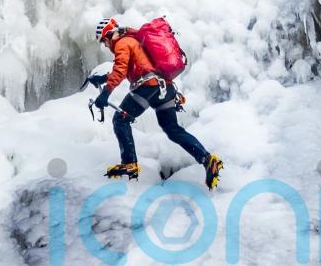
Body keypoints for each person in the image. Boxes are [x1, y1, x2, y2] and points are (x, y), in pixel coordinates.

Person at [90, 17, 223, 189]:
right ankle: (207, 160)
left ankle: (129, 164)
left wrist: (106, 93)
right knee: (173, 130)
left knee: (120, 120)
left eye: (104, 41)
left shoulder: (122, 43)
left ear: (109, 35)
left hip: (147, 87)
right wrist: (103, 78)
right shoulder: (133, 40)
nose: (106, 45)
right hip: (164, 88)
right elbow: (132, 67)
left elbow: (121, 69)